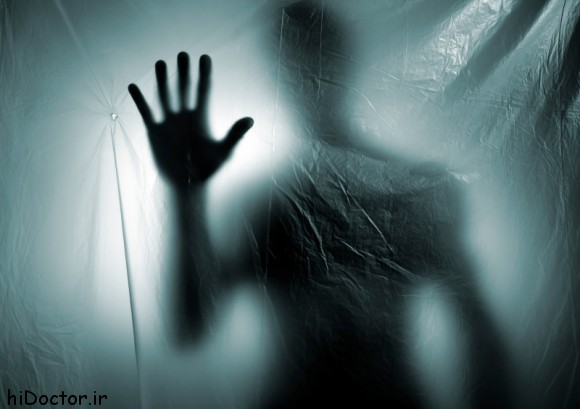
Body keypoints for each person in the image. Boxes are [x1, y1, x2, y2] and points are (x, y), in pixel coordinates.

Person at [128, 2, 515, 407]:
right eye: (290, 64)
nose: (303, 77)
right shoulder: (269, 204)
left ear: (341, 64)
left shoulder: (414, 190)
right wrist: (186, 196)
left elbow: (475, 326)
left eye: (313, 57)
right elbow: (191, 325)